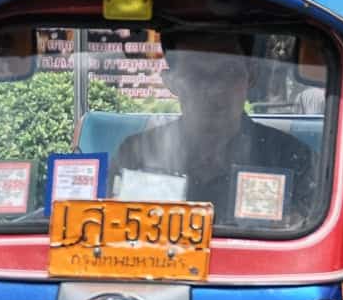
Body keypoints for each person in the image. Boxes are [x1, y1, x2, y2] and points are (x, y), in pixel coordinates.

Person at [111, 30, 322, 228]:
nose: (214, 89)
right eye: (196, 73)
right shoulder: (135, 154)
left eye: (228, 71)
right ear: (170, 82)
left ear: (251, 76)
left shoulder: (293, 159)